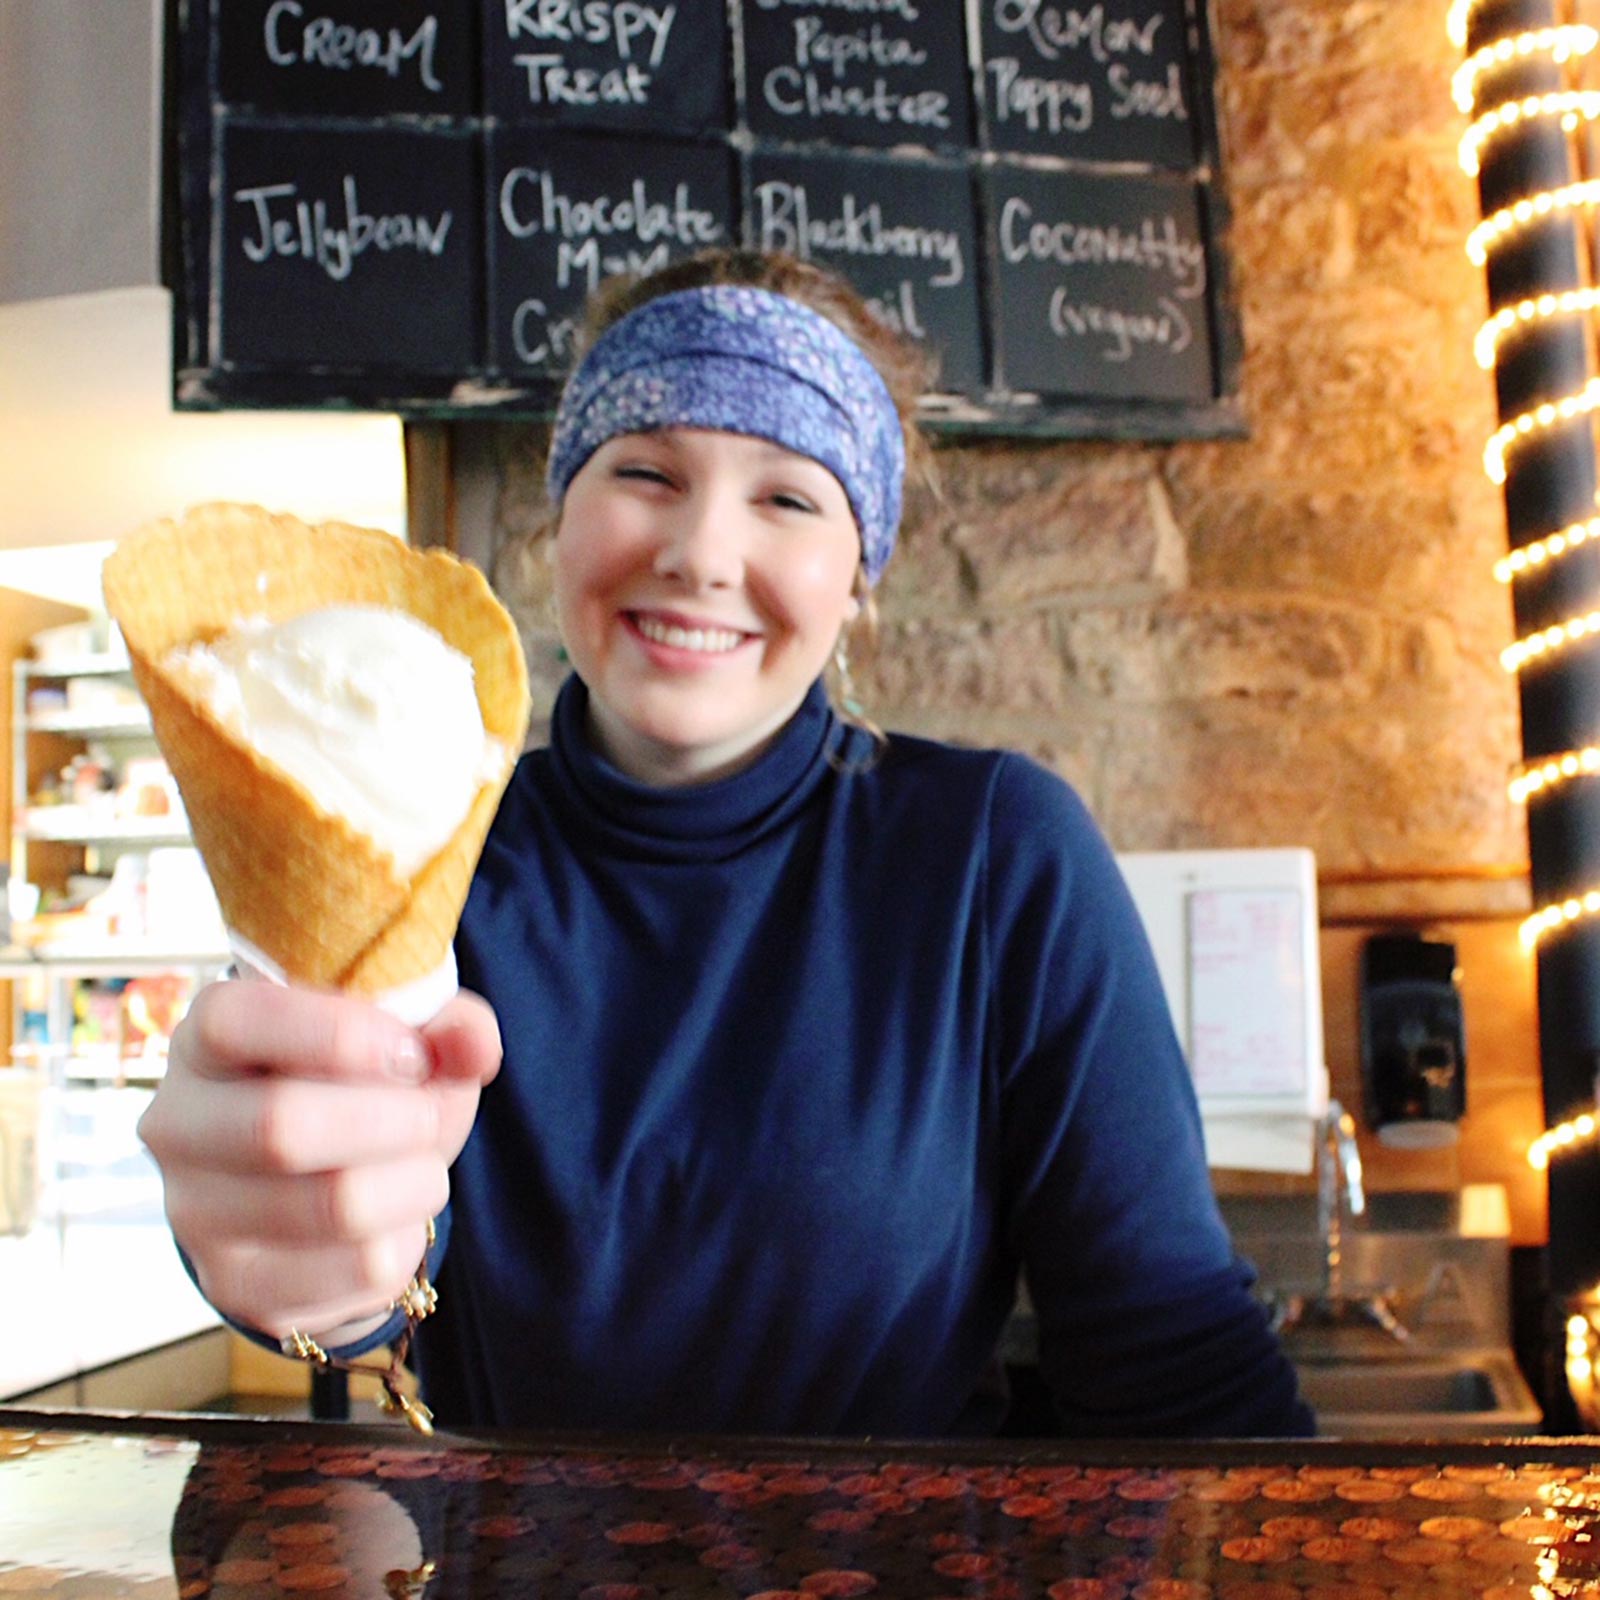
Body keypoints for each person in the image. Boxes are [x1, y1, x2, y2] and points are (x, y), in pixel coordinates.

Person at [138, 248, 1313, 1439]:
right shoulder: (429, 861)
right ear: (561, 518)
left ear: (860, 575)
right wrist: (299, 1261)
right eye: (646, 470)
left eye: (788, 497)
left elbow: (1171, 1356)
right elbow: (373, 1276)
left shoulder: (995, 855)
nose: (700, 551)